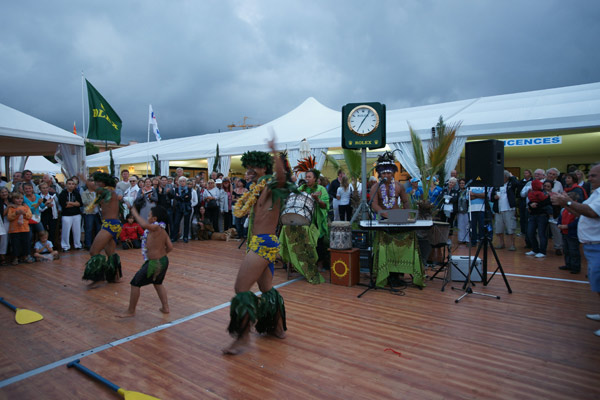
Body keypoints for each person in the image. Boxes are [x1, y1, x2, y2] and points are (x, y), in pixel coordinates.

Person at [224, 137, 291, 355]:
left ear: (264, 169)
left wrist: (275, 153)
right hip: (259, 243)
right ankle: (278, 328)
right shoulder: (259, 189)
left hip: (264, 244)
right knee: (266, 289)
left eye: (253, 169)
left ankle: (242, 338)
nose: (248, 172)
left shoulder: (272, 186)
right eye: (248, 169)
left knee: (240, 289)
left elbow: (282, 178)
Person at [551, 162, 600, 336]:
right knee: (597, 282)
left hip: (598, 245)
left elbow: (592, 213)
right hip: (592, 246)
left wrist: (568, 201)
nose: (589, 178)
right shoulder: (595, 194)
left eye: (594, 175)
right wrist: (565, 204)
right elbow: (581, 213)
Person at [369, 152, 422, 288]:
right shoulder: (375, 187)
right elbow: (374, 204)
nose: (386, 176)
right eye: (383, 174)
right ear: (380, 174)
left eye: (388, 173)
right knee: (386, 247)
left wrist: (407, 216)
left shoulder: (399, 186)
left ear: (393, 173)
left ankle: (398, 274)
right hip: (383, 220)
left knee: (400, 248)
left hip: (398, 220)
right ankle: (384, 273)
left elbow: (405, 202)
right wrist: (384, 214)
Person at [117, 205, 172, 318]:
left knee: (135, 283)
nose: (147, 217)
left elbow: (143, 225)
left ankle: (131, 311)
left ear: (155, 219)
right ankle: (165, 307)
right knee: (157, 283)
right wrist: (161, 255)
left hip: (155, 263)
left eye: (149, 215)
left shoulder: (155, 228)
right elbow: (170, 247)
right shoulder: (163, 230)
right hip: (163, 261)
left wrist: (134, 211)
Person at [279, 168, 329, 284]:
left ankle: (318, 263)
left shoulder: (321, 189)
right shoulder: (302, 188)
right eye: (306, 177)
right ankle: (295, 262)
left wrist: (317, 200)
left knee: (319, 241)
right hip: (301, 219)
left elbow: (325, 205)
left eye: (309, 177)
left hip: (315, 219)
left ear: (315, 179)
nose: (307, 179)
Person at [81, 172, 123, 287]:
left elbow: (93, 188)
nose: (96, 183)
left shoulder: (108, 192)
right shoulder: (106, 194)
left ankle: (99, 278)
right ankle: (115, 277)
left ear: (104, 182)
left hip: (110, 225)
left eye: (98, 181)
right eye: (96, 181)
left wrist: (83, 178)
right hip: (112, 224)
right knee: (110, 253)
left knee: (94, 251)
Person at [491, 170, 519, 251]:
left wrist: (512, 176)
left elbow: (517, 183)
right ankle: (501, 243)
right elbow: (492, 196)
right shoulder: (497, 185)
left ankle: (512, 245)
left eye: (503, 177)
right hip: (498, 210)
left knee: (511, 227)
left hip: (509, 209)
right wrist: (494, 197)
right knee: (498, 228)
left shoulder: (511, 184)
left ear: (507, 177)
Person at [525, 179, 551, 258]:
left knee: (541, 233)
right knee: (530, 232)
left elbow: (547, 201)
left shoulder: (543, 193)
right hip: (533, 215)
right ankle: (535, 249)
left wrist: (535, 204)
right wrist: (531, 204)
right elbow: (529, 202)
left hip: (542, 215)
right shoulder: (533, 193)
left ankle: (542, 251)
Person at [6, 192, 33, 264]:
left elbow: (29, 216)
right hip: (14, 229)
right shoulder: (11, 208)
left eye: (21, 198)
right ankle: (15, 257)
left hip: (25, 228)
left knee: (26, 243)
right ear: (14, 199)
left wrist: (24, 213)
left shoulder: (26, 207)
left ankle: (26, 256)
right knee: (15, 244)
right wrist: (16, 213)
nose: (19, 200)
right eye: (17, 199)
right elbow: (9, 217)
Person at [58, 178, 83, 252]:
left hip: (76, 214)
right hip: (66, 215)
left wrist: (70, 203)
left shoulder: (76, 193)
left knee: (77, 230)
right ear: (66, 185)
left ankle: (78, 245)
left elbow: (80, 204)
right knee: (65, 231)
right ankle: (65, 246)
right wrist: (74, 203)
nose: (71, 185)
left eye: (73, 184)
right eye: (69, 184)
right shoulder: (63, 193)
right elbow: (64, 205)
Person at [169, 176, 192, 243]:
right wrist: (184, 196)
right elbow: (175, 198)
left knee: (186, 223)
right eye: (181, 181)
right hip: (179, 208)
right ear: (179, 182)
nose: (182, 182)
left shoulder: (189, 189)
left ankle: (185, 237)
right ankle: (174, 237)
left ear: (186, 182)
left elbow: (189, 198)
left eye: (183, 181)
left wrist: (180, 196)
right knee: (176, 222)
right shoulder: (176, 189)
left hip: (186, 208)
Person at [81, 179, 102, 250]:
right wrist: (95, 203)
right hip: (89, 213)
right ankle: (88, 244)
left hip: (97, 213)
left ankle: (98, 244)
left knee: (98, 228)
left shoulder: (98, 192)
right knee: (88, 229)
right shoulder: (84, 193)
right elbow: (85, 202)